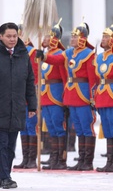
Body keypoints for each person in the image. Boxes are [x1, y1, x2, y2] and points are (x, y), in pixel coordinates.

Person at [0, 22, 36, 189]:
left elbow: (29, 81)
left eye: (15, 36)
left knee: (11, 146)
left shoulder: (23, 55)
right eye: (9, 36)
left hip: (17, 107)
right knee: (1, 144)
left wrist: (32, 105)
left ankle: (4, 176)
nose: (12, 39)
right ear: (1, 37)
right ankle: (5, 176)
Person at [36, 22, 96, 171]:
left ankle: (86, 161)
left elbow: (92, 78)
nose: (72, 39)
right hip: (71, 94)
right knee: (78, 128)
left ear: (82, 38)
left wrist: (93, 97)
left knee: (86, 127)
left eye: (75, 37)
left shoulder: (89, 54)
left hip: (83, 94)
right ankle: (77, 160)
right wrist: (43, 56)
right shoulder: (68, 53)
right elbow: (56, 60)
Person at [39, 23, 68, 170]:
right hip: (44, 93)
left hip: (56, 93)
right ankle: (53, 156)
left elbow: (62, 73)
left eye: (47, 36)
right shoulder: (45, 52)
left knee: (58, 126)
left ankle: (60, 159)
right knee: (50, 126)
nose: (45, 39)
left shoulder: (59, 53)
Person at [13, 23, 39, 169]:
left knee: (31, 125)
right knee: (22, 126)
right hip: (18, 94)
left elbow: (34, 75)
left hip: (28, 93)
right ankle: (25, 158)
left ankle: (32, 159)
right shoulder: (15, 51)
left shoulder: (31, 51)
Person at [94, 25, 113, 172]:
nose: (104, 39)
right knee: (107, 129)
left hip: (111, 92)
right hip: (102, 94)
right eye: (103, 37)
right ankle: (109, 161)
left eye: (106, 37)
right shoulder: (100, 57)